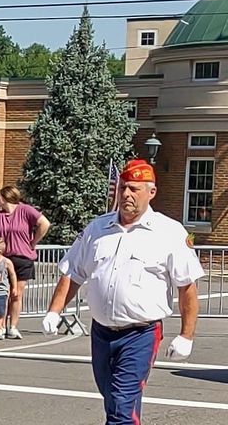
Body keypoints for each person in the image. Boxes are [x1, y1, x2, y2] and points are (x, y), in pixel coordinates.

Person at [44, 160, 203, 425]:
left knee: (121, 404)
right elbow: (73, 272)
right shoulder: (97, 229)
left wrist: (186, 335)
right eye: (122, 188)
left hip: (140, 333)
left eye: (133, 189)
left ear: (151, 192)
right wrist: (54, 310)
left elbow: (187, 287)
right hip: (102, 332)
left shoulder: (169, 232)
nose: (126, 195)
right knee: (114, 401)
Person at [0, 185, 51, 339]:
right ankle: (0, 325)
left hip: (23, 258)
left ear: (4, 198)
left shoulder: (25, 210)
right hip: (4, 258)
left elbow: (45, 224)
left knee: (16, 293)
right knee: (2, 293)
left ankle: (13, 326)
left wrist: (33, 242)